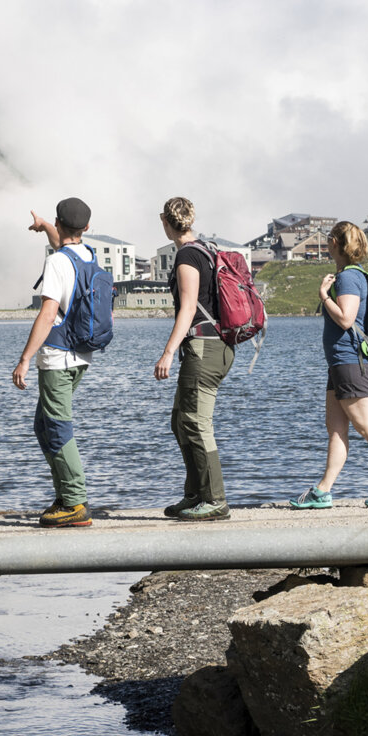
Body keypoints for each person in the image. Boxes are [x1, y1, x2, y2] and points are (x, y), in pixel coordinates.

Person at [290, 220, 368, 510]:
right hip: (340, 363)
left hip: (351, 361)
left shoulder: (348, 278)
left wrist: (323, 296)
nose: (327, 244)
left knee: (367, 426)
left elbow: (346, 318)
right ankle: (323, 491)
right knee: (335, 428)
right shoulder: (347, 275)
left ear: (335, 243)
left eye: (329, 240)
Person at [12, 197, 96, 528]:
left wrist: (24, 359)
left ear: (62, 225)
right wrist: (46, 226)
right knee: (44, 426)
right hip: (81, 355)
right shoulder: (87, 255)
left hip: (57, 356)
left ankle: (75, 502)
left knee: (58, 426)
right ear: (87, 228)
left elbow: (48, 314)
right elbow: (64, 247)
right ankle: (65, 495)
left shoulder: (57, 263)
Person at [154, 197, 233, 521]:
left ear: (165, 221)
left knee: (197, 424)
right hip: (214, 346)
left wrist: (168, 352)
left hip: (205, 348)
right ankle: (195, 493)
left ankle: (215, 499)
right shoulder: (206, 249)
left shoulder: (187, 255)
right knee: (180, 421)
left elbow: (188, 307)